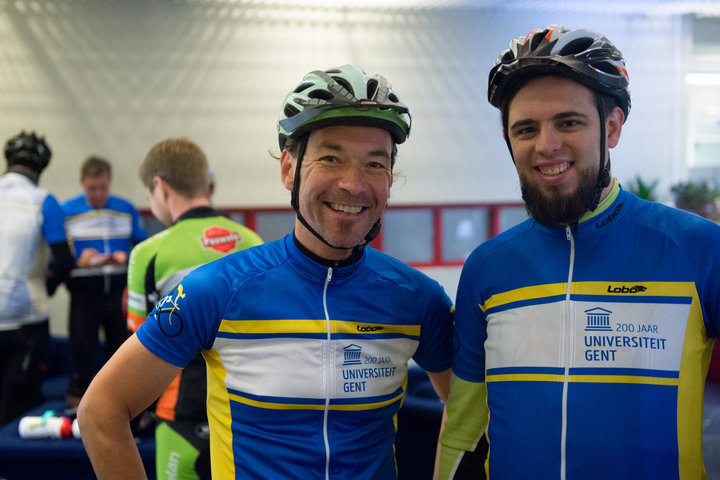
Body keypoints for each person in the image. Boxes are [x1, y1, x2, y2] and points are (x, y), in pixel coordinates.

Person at [78, 64, 454, 479]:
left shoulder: (419, 298)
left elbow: (470, 413)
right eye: (331, 157)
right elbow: (101, 410)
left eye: (375, 164)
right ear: (288, 169)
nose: (354, 184)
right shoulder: (215, 290)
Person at [437, 25, 720, 480]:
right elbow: (463, 428)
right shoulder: (487, 268)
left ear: (611, 127)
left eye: (568, 122)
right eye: (525, 128)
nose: (546, 145)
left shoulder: (698, 249)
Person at [126, 137, 263, 480]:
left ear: (159, 186)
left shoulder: (148, 253)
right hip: (249, 412)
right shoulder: (254, 243)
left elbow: (138, 343)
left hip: (180, 414)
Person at [0, 131, 74, 425]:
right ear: (40, 168)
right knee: (18, 407)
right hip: (27, 320)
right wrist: (50, 287)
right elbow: (66, 261)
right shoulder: (43, 200)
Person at [61, 156, 147, 406]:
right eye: (91, 188)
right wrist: (79, 261)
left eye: (102, 187)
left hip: (119, 288)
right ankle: (76, 414)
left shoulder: (126, 208)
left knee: (121, 351)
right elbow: (55, 257)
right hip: (84, 290)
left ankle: (119, 408)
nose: (98, 194)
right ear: (82, 183)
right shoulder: (66, 211)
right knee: (81, 351)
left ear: (109, 182)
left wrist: (127, 257)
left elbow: (143, 247)